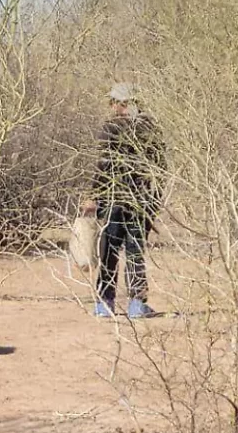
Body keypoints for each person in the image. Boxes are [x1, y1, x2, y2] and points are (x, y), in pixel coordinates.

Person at [82, 83, 166, 319]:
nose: (111, 107)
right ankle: (137, 305)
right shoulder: (151, 128)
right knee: (135, 251)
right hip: (142, 199)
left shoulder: (111, 127)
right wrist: (155, 200)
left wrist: (93, 195)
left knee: (109, 250)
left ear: (122, 104)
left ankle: (104, 303)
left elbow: (103, 165)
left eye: (115, 102)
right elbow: (160, 168)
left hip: (113, 198)